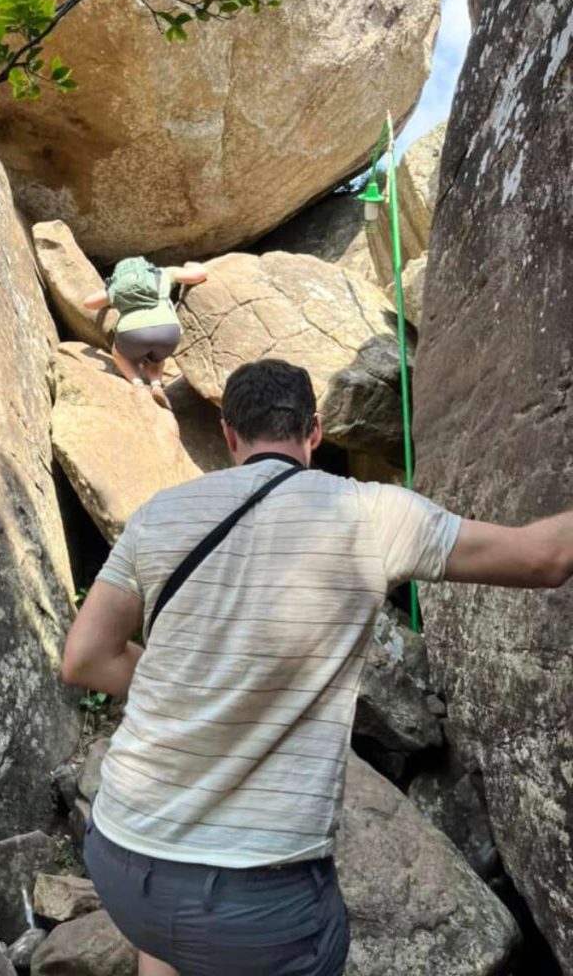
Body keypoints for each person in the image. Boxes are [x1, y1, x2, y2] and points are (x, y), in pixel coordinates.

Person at [62, 358, 572, 976]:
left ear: (229, 434)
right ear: (316, 431)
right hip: (263, 906)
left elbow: (85, 657)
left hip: (121, 856)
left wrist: (198, 687)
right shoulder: (371, 513)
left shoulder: (159, 514)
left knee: (169, 941)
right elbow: (543, 559)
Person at [83, 257, 207, 409]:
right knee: (156, 358)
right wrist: (191, 264)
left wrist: (111, 297)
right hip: (167, 331)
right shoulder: (163, 273)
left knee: (118, 352)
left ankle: (138, 384)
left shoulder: (118, 285)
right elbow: (200, 274)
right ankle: (156, 385)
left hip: (132, 334)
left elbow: (88, 303)